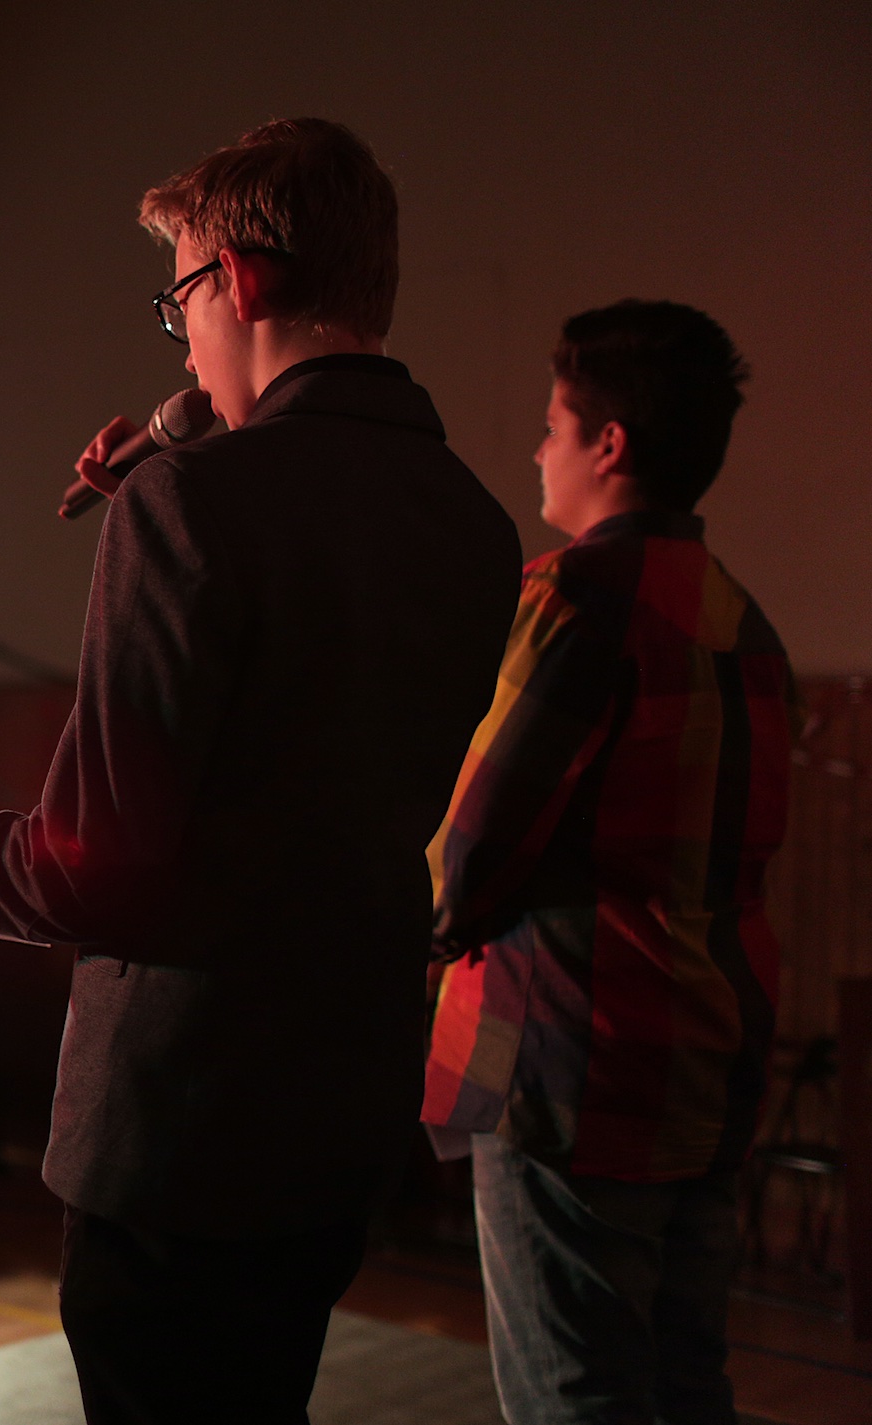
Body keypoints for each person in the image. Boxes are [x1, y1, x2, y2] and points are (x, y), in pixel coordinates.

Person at [0, 118, 521, 1423]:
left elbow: (90, 872)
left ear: (239, 281)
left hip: (181, 1129)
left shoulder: (191, 504)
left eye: (178, 299)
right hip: (337, 1112)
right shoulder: (473, 523)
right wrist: (200, 430)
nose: (178, 340)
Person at [421, 302, 793, 1425]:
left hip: (567, 1066)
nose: (538, 451)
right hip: (707, 1058)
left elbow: (473, 840)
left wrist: (410, 927)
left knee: (572, 1399)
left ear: (608, 444)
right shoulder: (745, 622)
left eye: (552, 426)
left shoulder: (573, 597)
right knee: (685, 1388)